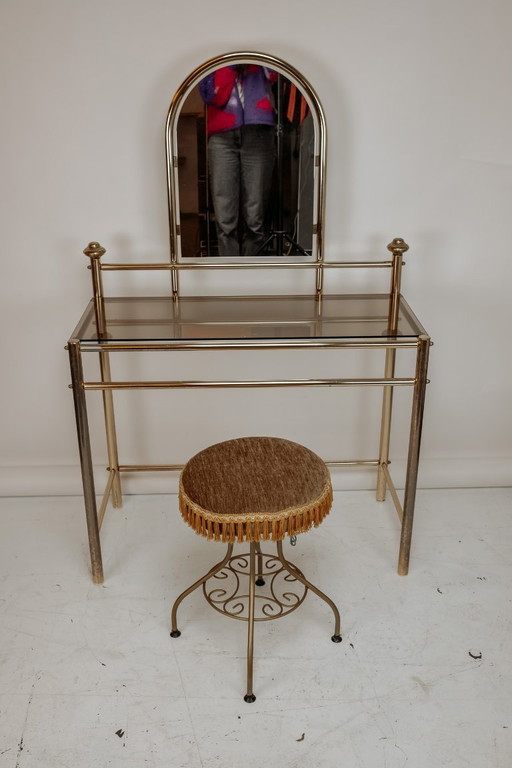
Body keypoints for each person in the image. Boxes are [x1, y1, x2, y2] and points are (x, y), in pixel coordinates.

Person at [199, 65, 277, 256]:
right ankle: (228, 273)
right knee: (225, 218)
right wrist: (232, 65)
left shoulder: (261, 51)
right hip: (221, 134)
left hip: (259, 130)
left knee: (255, 217)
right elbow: (211, 94)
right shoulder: (212, 55)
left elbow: (276, 75)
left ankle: (252, 275)